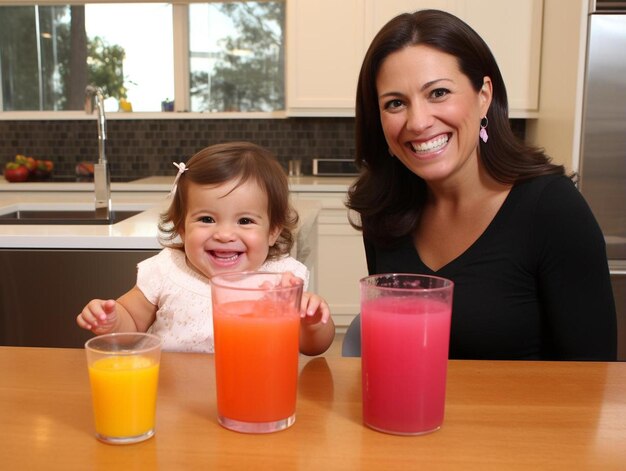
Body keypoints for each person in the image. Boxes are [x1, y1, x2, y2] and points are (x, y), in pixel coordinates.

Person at [345, 9, 617, 360]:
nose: (418, 121)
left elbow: (595, 380)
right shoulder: (383, 213)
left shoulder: (553, 209)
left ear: (483, 94)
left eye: (439, 93)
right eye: (395, 103)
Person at [77, 141, 335, 356]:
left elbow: (314, 347)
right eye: (206, 219)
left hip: (252, 399)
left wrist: (311, 323)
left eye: (245, 221)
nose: (223, 235)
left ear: (273, 231)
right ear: (181, 227)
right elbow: (131, 323)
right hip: (176, 403)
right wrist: (111, 321)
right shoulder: (167, 270)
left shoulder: (281, 279)